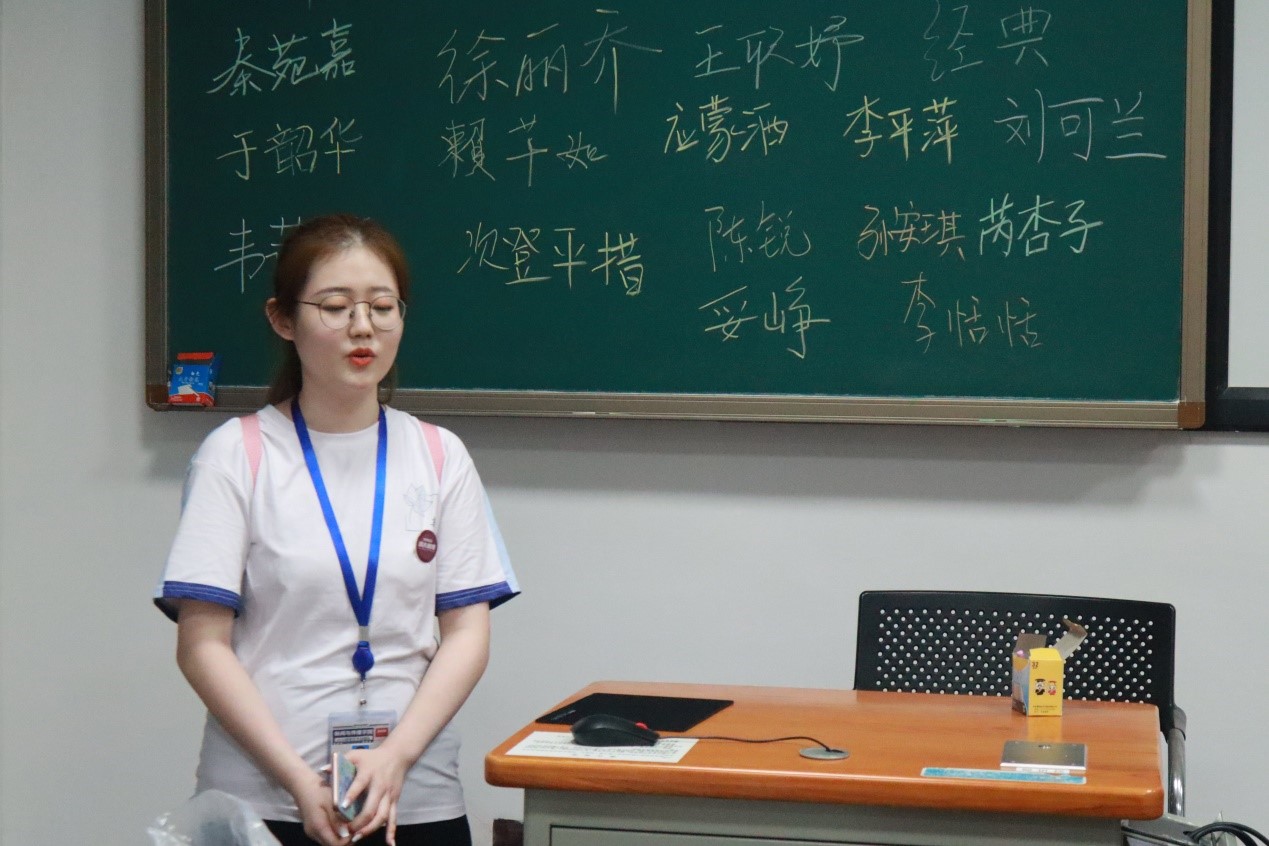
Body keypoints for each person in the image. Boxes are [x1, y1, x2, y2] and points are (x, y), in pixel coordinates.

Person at [155, 214, 518, 846]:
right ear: (283, 319)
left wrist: (397, 755)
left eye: (383, 306)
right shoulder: (237, 454)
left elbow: (467, 634)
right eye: (335, 306)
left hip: (412, 795)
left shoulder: (439, 455)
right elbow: (202, 646)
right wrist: (298, 781)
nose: (363, 326)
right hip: (266, 798)